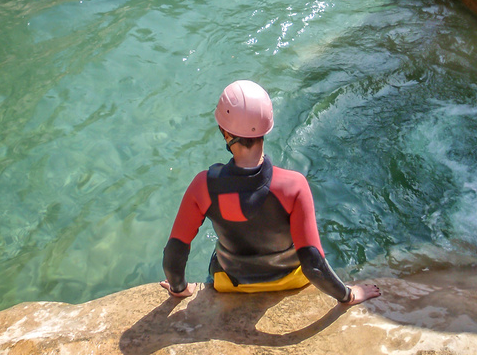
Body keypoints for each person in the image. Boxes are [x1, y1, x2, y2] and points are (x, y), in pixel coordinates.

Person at [161, 79, 381, 306]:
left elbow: (174, 253)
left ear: (224, 132)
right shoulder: (293, 185)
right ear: (267, 126)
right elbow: (313, 263)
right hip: (291, 281)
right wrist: (349, 294)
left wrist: (180, 288)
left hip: (230, 283)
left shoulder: (203, 186)